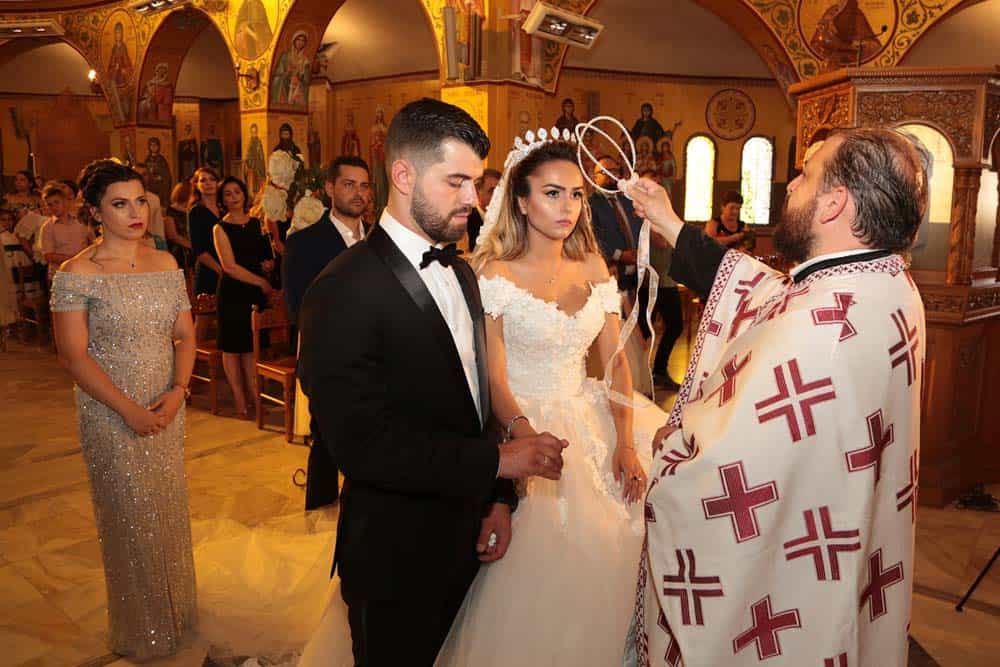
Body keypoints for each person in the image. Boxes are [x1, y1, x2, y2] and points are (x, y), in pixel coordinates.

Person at [624, 128, 929, 666]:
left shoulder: (821, 329)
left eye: (806, 174)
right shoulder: (880, 283)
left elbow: (723, 473)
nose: (791, 185)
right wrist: (669, 222)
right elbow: (764, 291)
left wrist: (670, 449)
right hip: (833, 535)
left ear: (835, 202)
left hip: (787, 571)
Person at [297, 98, 568, 666]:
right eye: (458, 182)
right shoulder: (340, 290)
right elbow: (362, 447)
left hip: (470, 539)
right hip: (396, 554)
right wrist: (501, 465)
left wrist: (497, 500)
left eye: (475, 182)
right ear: (403, 175)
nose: (475, 199)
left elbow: (475, 404)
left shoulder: (463, 274)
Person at [435, 137, 666, 665]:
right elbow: (493, 378)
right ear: (520, 200)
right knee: (541, 564)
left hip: (589, 413)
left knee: (622, 542)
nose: (568, 208)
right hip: (520, 418)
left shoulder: (593, 268)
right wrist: (523, 436)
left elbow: (617, 364)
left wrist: (626, 444)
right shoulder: (494, 273)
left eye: (578, 196)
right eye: (553, 193)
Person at [50, 159, 196, 661]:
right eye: (120, 204)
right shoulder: (79, 273)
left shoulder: (166, 263)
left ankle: (177, 611)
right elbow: (73, 356)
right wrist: (128, 410)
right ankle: (143, 629)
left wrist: (179, 389)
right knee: (129, 515)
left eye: (140, 201)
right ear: (95, 211)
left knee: (167, 508)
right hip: (109, 412)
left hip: (166, 405)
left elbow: (184, 335)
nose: (135, 212)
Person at [283, 155, 372, 509]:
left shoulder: (381, 240)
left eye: (364, 185)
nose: (358, 193)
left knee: (371, 439)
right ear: (330, 188)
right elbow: (298, 309)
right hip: (329, 359)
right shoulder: (304, 243)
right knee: (326, 441)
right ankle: (318, 510)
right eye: (349, 184)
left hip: (377, 358)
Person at [213, 177, 275, 419]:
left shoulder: (256, 223)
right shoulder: (220, 228)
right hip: (232, 292)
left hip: (253, 291)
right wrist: (261, 281)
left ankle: (255, 399)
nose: (233, 197)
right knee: (232, 349)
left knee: (250, 348)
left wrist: (267, 266)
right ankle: (240, 402)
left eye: (237, 192)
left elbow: (262, 258)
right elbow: (229, 266)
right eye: (227, 194)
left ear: (244, 194)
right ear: (222, 200)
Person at [39, 182, 94, 282]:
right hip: (60, 276)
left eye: (56, 202)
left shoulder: (81, 221)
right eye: (49, 205)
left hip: (84, 274)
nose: (53, 207)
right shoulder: (47, 227)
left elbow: (93, 242)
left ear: (64, 201)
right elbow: (48, 255)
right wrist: (76, 259)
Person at [189, 167, 224, 296]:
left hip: (230, 267)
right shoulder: (196, 211)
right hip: (209, 269)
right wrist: (221, 271)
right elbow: (199, 250)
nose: (208, 183)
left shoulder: (225, 209)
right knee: (207, 314)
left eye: (212, 179)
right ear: (197, 185)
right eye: (203, 180)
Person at [466, 168, 500, 251]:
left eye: (499, 191)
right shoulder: (467, 219)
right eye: (492, 190)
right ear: (477, 193)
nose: (498, 195)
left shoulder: (505, 218)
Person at [164, 181, 193, 269]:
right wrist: (191, 245)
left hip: (191, 251)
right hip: (178, 251)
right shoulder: (171, 211)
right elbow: (172, 235)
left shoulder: (192, 209)